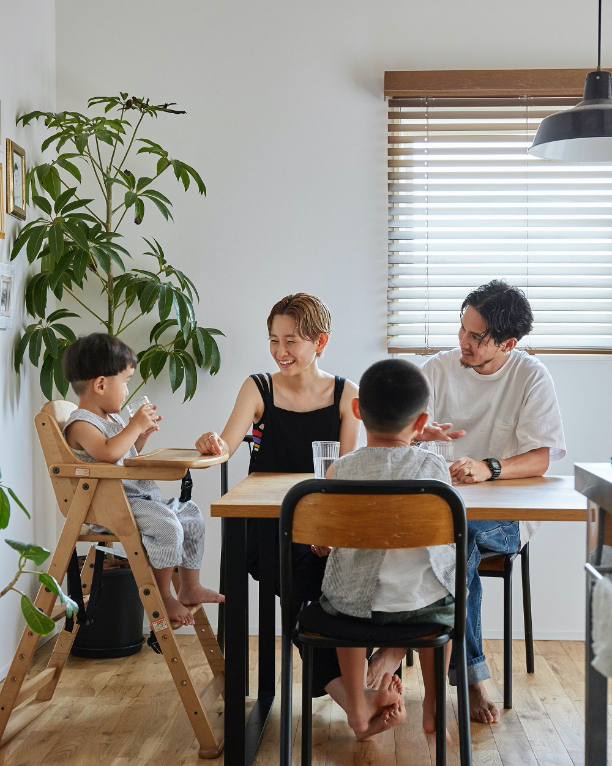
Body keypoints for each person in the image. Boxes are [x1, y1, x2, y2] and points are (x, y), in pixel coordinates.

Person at [368, 280, 566, 724]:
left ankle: (446, 667)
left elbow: (542, 456)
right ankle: (460, 672)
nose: (463, 341)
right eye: (462, 328)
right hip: (438, 510)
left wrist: (489, 468)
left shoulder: (530, 376)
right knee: (433, 532)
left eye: (476, 336)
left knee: (460, 537)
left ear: (508, 343)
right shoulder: (436, 369)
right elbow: (401, 430)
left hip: (505, 518)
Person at [195, 293, 360, 695]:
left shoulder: (345, 393)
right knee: (305, 576)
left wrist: (328, 532)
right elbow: (226, 445)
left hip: (322, 526)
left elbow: (348, 475)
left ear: (320, 342)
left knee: (344, 578)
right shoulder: (258, 388)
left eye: (291, 341)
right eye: (273, 340)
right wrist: (212, 442)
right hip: (269, 526)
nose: (279, 351)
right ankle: (352, 691)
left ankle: (353, 689)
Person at [319, 358, 456, 740]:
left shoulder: (341, 470)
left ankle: (359, 710)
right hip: (421, 605)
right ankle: (432, 705)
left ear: (357, 409)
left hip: (355, 609)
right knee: (446, 600)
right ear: (421, 422)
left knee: (344, 598)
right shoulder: (434, 469)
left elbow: (327, 536)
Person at [62, 333, 224, 626]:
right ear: (100, 384)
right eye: (125, 382)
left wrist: (140, 435)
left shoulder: (111, 420)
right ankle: (163, 594)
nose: (127, 390)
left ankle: (189, 586)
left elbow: (125, 456)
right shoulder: (81, 423)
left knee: (191, 515)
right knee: (168, 527)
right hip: (112, 506)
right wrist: (134, 425)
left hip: (136, 499)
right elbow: (108, 454)